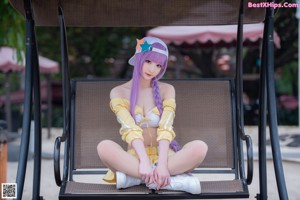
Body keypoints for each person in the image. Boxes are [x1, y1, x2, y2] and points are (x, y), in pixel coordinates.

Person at [97, 37, 208, 194]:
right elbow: (129, 129)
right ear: (139, 58)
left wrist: (162, 164)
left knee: (199, 148)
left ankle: (137, 179)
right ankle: (171, 181)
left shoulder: (167, 89)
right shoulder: (118, 92)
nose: (152, 69)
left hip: (166, 157)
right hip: (135, 159)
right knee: (104, 147)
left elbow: (166, 128)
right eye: (148, 61)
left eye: (158, 65)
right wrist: (144, 162)